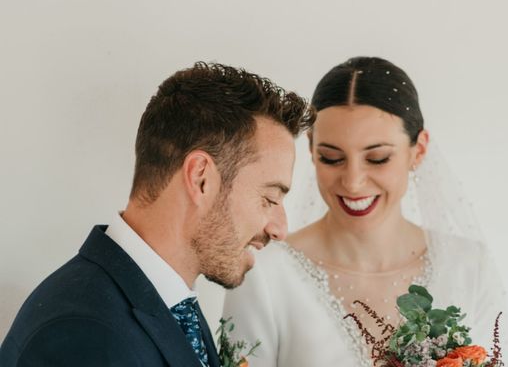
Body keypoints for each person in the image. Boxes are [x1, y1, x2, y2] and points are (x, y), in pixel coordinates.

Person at [0, 62, 314, 367]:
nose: (279, 229)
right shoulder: (83, 334)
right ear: (201, 178)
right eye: (269, 198)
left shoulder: (171, 302)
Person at [222, 57, 508, 367]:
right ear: (311, 149)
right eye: (332, 158)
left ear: (419, 149)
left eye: (378, 158)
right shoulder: (263, 273)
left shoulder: (467, 267)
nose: (353, 182)